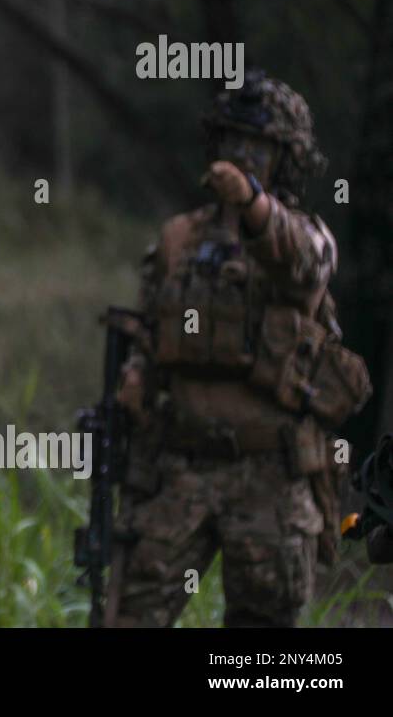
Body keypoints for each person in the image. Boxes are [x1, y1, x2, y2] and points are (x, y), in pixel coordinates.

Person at [106, 70, 371, 627]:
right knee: (129, 613)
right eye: (234, 143)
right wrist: (135, 377)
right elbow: (151, 332)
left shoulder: (304, 238)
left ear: (287, 159)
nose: (244, 157)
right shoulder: (180, 238)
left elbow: (304, 266)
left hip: (270, 475)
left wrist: (254, 205)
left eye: (259, 148)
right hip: (179, 466)